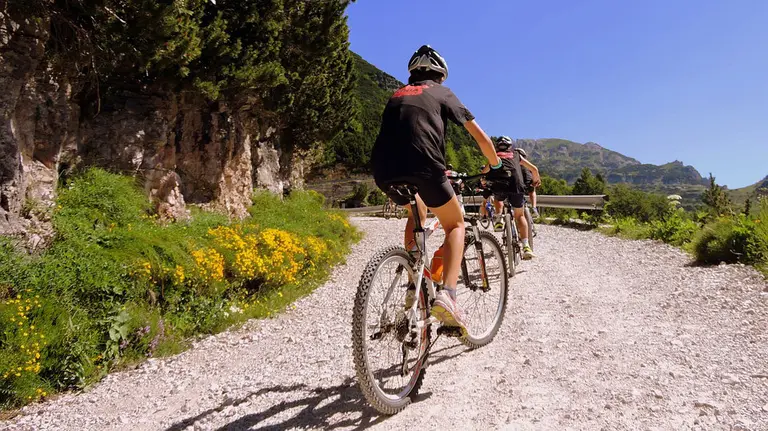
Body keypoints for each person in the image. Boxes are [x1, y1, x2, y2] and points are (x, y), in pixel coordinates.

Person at [371, 45, 503, 331]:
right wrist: (495, 165)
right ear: (440, 75)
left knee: (416, 212)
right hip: (425, 166)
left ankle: (413, 277)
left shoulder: (396, 94)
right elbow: (480, 137)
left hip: (383, 169)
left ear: (412, 74)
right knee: (455, 224)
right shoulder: (442, 92)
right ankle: (448, 296)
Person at [483, 136, 541, 259]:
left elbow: (484, 172)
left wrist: (483, 181)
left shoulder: (494, 156)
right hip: (516, 186)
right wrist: (536, 180)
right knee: (519, 216)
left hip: (499, 187)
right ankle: (526, 246)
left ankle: (499, 218)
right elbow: (534, 169)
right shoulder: (516, 155)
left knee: (498, 198)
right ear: (510, 146)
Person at [514, 148, 540, 219]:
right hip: (527, 183)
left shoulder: (513, 162)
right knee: (532, 191)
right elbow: (534, 171)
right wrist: (535, 182)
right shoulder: (526, 164)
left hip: (516, 184)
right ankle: (534, 208)